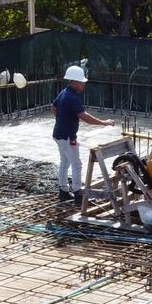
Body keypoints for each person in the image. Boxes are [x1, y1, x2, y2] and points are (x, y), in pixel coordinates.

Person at [52, 65, 114, 202]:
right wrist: (104, 122)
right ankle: (78, 194)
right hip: (68, 137)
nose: (83, 84)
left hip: (58, 134)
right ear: (74, 82)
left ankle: (63, 191)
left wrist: (61, 120)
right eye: (81, 82)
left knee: (64, 162)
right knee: (77, 164)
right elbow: (84, 116)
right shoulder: (72, 97)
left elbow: (54, 107)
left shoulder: (63, 93)